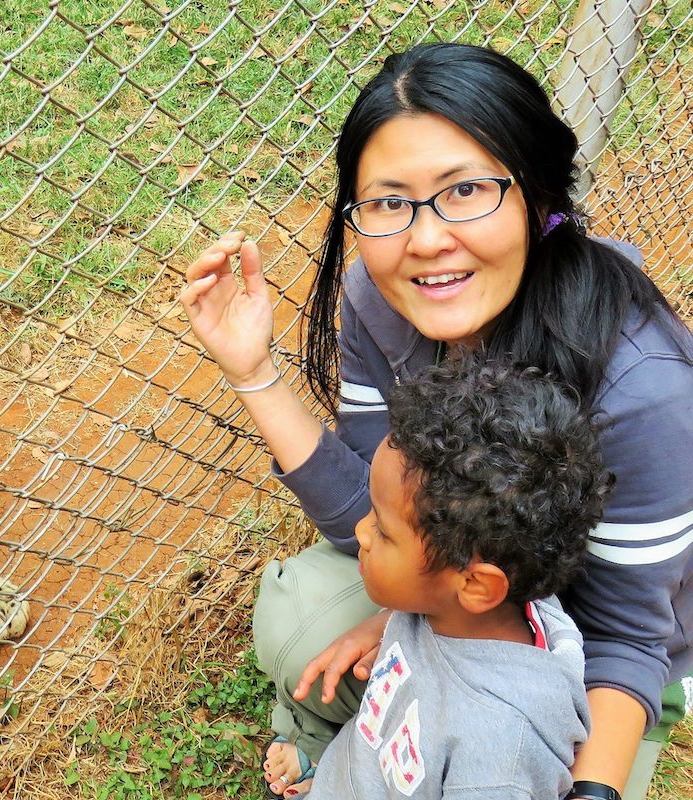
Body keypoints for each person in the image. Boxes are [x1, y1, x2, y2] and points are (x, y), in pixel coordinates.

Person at [179, 42, 693, 800]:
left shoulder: (644, 391)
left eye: (467, 191)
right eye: (388, 202)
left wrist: (589, 794)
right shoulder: (376, 297)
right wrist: (252, 371)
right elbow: (375, 513)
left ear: (538, 194)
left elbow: (627, 640)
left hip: (587, 658)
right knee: (305, 623)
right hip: (466, 596)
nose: (424, 241)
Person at [272, 353, 606, 799]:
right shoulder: (459, 606)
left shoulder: (497, 755)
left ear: (475, 585)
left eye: (383, 530)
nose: (360, 532)